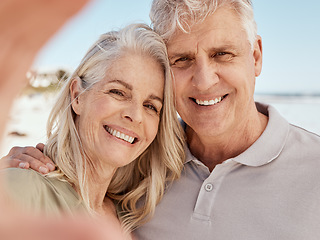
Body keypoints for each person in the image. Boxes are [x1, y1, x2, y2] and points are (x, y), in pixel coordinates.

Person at [2, 0, 320, 239]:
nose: (204, 79)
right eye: (181, 60)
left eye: (223, 54)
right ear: (76, 95)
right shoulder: (148, 170)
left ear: (256, 56)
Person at [1, 22, 185, 238]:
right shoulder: (22, 191)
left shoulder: (132, 218)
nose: (135, 115)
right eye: (118, 92)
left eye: (150, 106)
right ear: (77, 95)